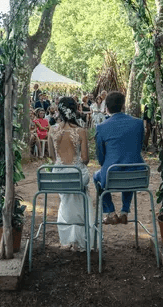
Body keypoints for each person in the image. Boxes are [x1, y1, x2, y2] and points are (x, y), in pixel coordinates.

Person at [48, 96, 94, 251]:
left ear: (60, 110)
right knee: (80, 195)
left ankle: (68, 238)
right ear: (75, 110)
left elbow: (53, 157)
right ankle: (81, 239)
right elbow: (86, 159)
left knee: (67, 200)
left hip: (59, 176)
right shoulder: (81, 131)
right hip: (76, 174)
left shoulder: (52, 130)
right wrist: (77, 163)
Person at [94, 91, 144, 225]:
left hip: (111, 174)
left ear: (107, 108)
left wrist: (104, 164)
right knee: (128, 170)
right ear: (123, 106)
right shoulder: (139, 124)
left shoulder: (101, 127)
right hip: (138, 175)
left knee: (96, 176)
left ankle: (110, 212)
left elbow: (100, 155)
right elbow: (139, 147)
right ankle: (124, 211)